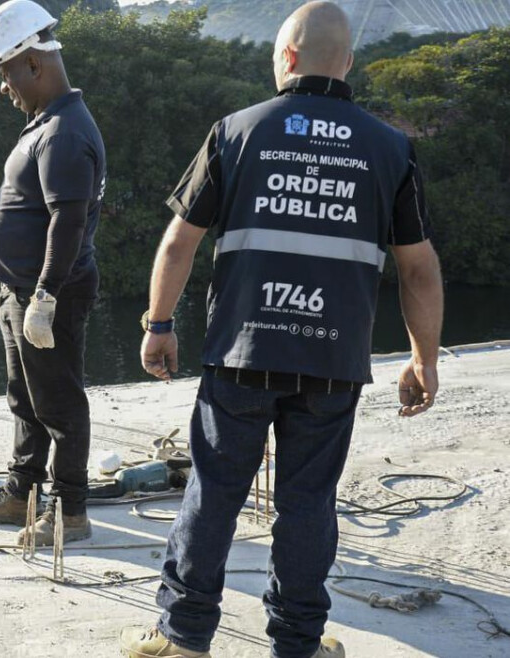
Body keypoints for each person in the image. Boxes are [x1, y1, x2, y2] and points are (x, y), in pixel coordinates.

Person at [120, 3, 443, 657]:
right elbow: (418, 270)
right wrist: (423, 361)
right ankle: (297, 644)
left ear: (287, 56)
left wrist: (159, 325)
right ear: (346, 63)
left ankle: (182, 638)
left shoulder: (237, 131)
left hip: (243, 350)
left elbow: (179, 243)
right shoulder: (389, 149)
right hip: (332, 361)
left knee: (214, 492)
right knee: (307, 503)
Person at [0, 0, 106, 547]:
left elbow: (68, 221)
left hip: (49, 293)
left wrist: (44, 294)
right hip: (20, 291)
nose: (4, 86)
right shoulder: (49, 124)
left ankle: (70, 511)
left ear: (34, 64)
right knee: (26, 399)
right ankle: (23, 491)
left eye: (5, 72)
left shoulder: (66, 132)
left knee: (60, 404)